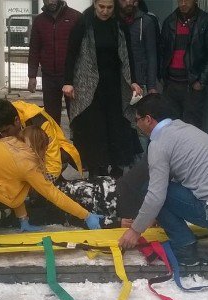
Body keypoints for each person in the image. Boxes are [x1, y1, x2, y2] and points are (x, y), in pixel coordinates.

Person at [118, 94, 208, 265]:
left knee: (152, 191)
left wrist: (135, 230)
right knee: (195, 189)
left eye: (138, 119)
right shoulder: (186, 129)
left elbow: (156, 196)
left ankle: (184, 247)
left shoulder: (159, 143)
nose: (137, 124)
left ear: (148, 119)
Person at [63, 0, 143, 178]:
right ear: (94, 5)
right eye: (101, 7)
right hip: (89, 86)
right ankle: (95, 169)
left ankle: (116, 169)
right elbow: (71, 54)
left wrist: (134, 81)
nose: (105, 11)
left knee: (117, 126)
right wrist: (68, 81)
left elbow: (128, 55)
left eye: (109, 8)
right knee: (94, 128)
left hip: (115, 85)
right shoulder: (83, 24)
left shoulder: (119, 26)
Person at [0, 99, 82, 180]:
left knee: (59, 158)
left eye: (6, 131)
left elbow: (53, 162)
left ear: (16, 120)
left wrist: (43, 185)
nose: (4, 136)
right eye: (1, 132)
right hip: (24, 159)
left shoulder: (40, 122)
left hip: (53, 155)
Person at [160, 0, 208, 130]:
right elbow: (162, 50)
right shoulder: (169, 21)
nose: (183, 3)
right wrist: (163, 78)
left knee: (192, 128)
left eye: (187, 0)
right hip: (171, 84)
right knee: (170, 127)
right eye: (180, 0)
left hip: (192, 85)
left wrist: (202, 81)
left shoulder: (206, 21)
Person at [27, 0, 81, 124]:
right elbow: (34, 49)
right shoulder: (39, 21)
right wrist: (32, 76)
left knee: (75, 116)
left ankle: (77, 142)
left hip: (72, 77)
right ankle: (55, 142)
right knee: (51, 119)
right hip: (49, 77)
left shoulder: (76, 17)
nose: (51, 1)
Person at [117, 0, 159, 95]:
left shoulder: (146, 22)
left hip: (141, 81)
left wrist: (152, 86)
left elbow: (151, 55)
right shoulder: (113, 21)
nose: (128, 2)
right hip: (118, 81)